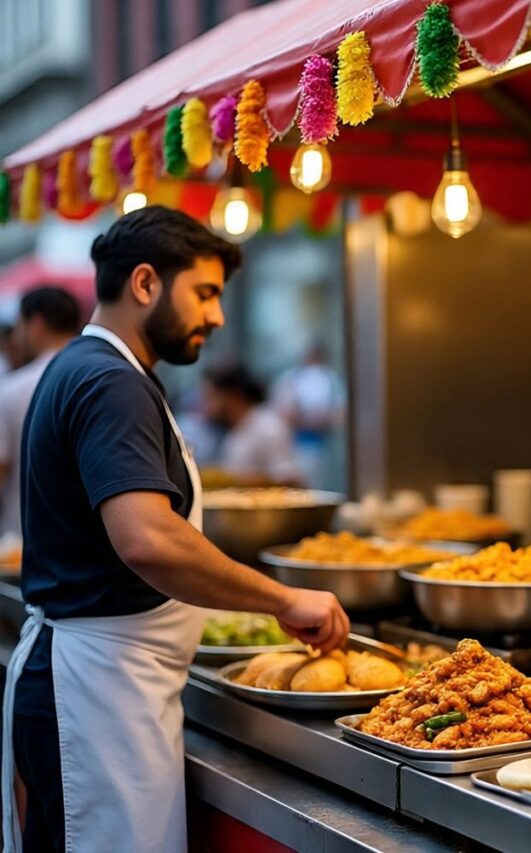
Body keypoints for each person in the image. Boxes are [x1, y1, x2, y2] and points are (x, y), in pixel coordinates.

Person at [1, 206, 349, 853]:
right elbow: (148, 538)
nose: (216, 316)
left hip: (108, 685)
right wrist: (283, 597)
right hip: (97, 693)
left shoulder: (99, 368)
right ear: (144, 283)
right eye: (206, 292)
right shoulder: (109, 380)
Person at [0, 288, 81, 536]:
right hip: (89, 546)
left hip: (24, 542)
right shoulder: (99, 380)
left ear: (36, 324)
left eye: (19, 327)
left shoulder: (13, 390)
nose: (15, 338)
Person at [202, 362, 305, 485]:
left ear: (232, 396)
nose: (206, 406)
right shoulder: (235, 431)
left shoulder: (268, 427)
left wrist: (238, 481)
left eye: (211, 397)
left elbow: (291, 481)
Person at [271, 343, 345, 488]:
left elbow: (340, 413)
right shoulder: (291, 379)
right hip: (292, 444)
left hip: (323, 445)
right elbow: (281, 412)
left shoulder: (329, 379)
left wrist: (322, 418)